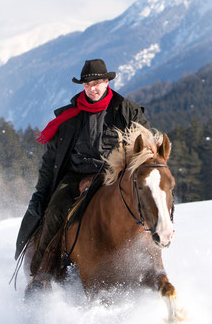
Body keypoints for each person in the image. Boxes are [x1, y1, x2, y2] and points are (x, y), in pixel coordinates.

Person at [15, 58, 150, 291]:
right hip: (75, 176)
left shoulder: (127, 112)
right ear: (82, 86)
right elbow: (50, 162)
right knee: (55, 211)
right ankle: (41, 275)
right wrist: (41, 193)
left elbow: (147, 147)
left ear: (107, 81)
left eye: (97, 82)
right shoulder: (68, 117)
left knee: (145, 209)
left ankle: (150, 262)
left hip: (114, 176)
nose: (93, 88)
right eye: (88, 84)